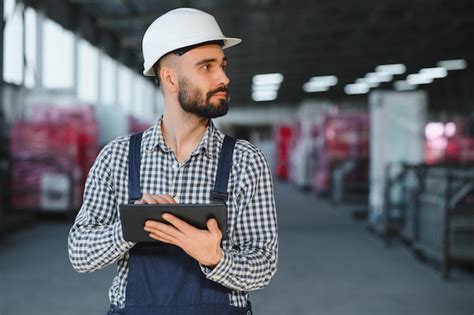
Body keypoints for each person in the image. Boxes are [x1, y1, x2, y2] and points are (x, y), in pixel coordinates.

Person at [68, 7, 278, 315]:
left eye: (222, 65)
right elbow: (80, 254)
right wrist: (129, 229)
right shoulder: (117, 158)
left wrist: (215, 258)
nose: (223, 77)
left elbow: (264, 265)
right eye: (207, 67)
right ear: (170, 78)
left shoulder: (245, 161)